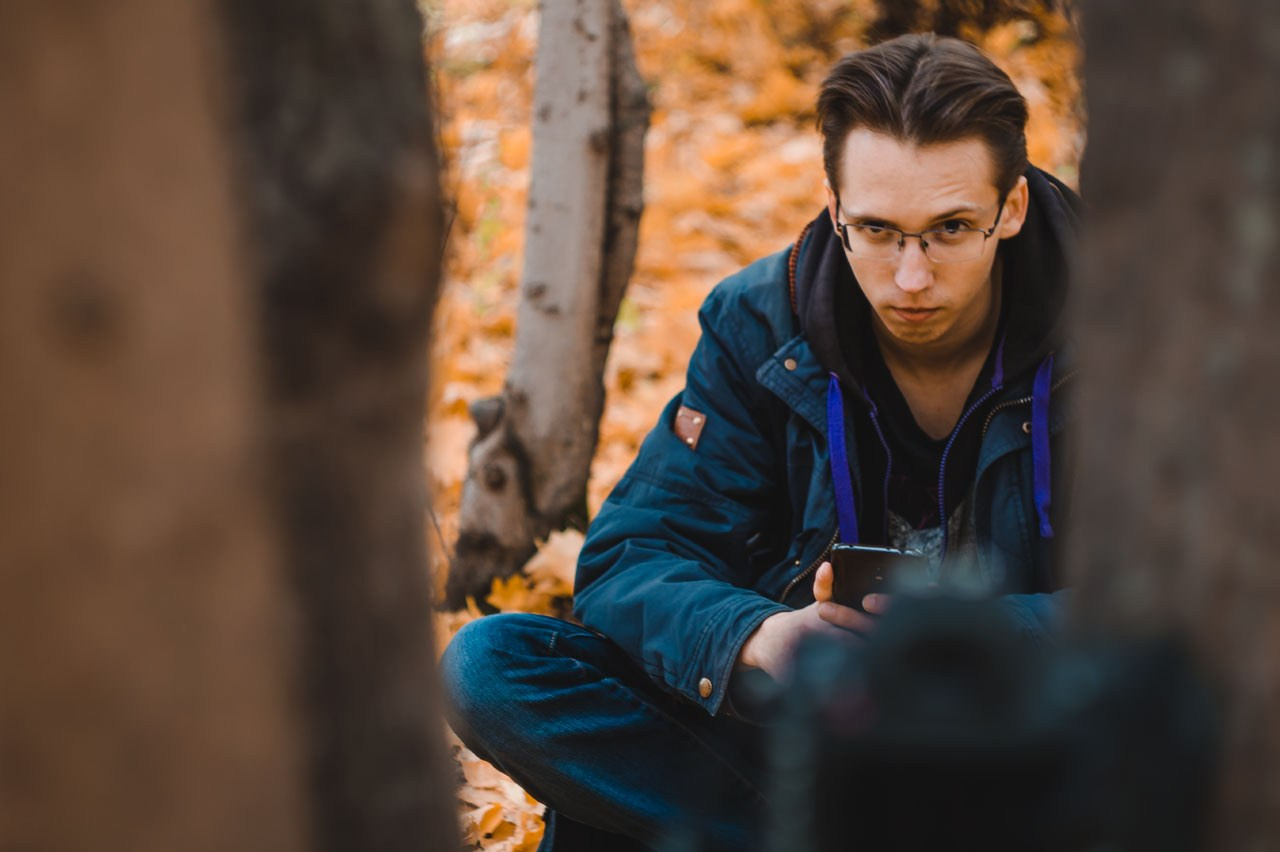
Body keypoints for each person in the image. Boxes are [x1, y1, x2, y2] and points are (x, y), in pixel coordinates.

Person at [441, 32, 1081, 852]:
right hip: (809, 744)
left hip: (1035, 739)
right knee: (492, 664)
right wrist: (757, 636)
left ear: (1013, 207)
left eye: (950, 229)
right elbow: (635, 554)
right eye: (878, 231)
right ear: (834, 206)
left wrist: (986, 641)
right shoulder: (760, 325)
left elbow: (1195, 607)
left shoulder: (1124, 338)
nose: (911, 277)